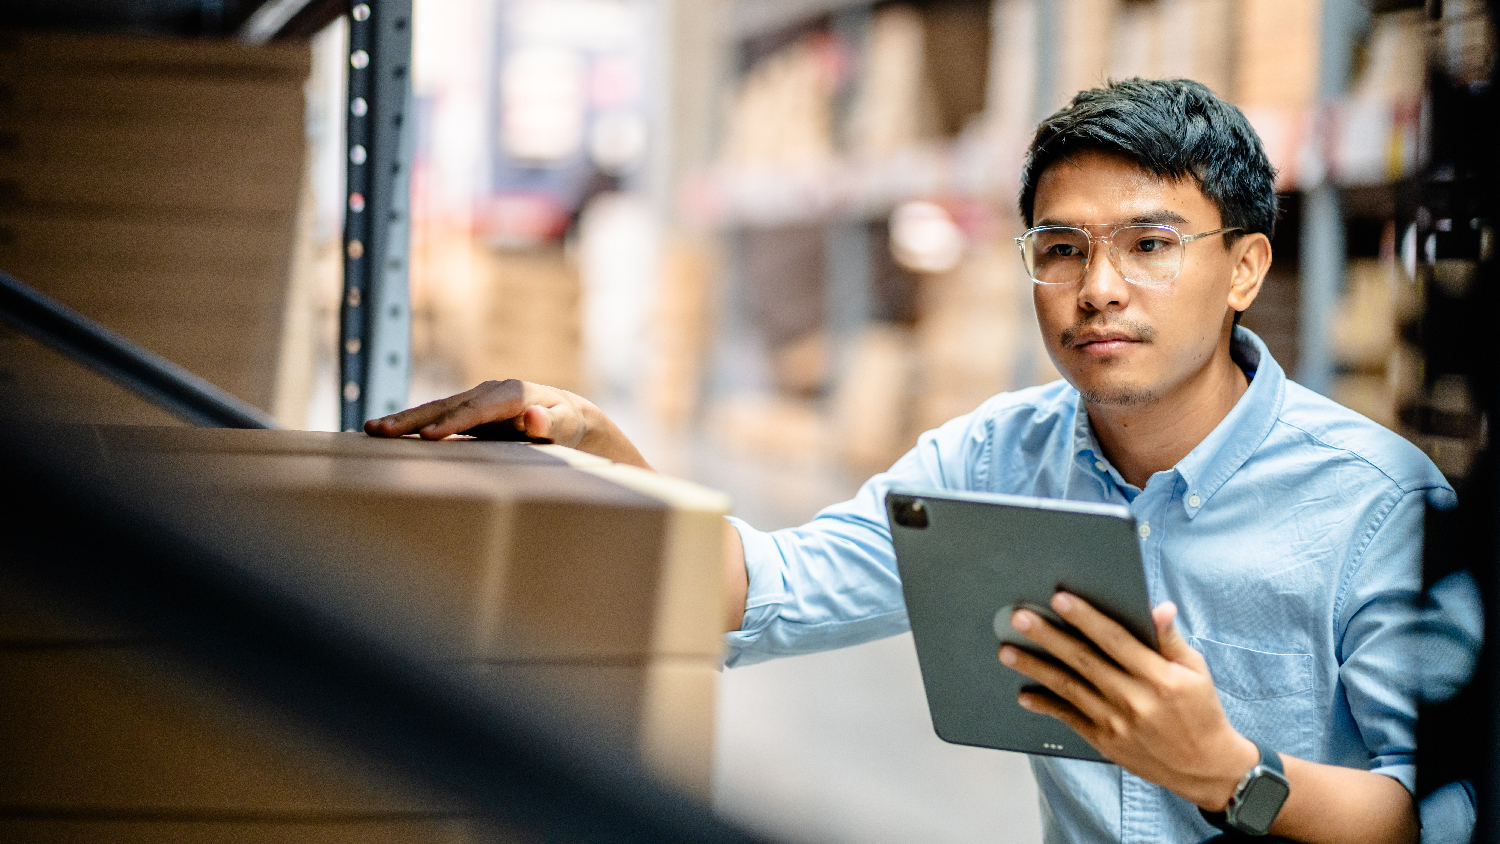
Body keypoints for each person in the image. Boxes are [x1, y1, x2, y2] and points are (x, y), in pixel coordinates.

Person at [367, 79, 1480, 844]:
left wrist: (1231, 774)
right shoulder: (994, 456)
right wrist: (597, 449)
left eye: (1149, 245)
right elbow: (761, 590)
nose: (1097, 286)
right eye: (1061, 249)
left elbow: (1434, 809)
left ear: (1244, 268)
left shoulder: (1379, 504)